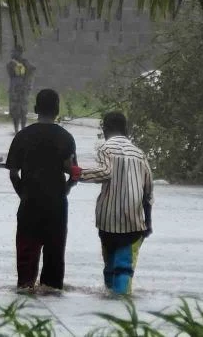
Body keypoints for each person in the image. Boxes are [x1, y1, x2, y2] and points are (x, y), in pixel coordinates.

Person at [6, 89, 80, 292]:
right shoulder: (65, 138)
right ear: (57, 110)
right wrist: (65, 189)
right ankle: (51, 293)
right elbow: (74, 172)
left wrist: (23, 194)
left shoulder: (22, 136)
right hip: (56, 206)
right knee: (54, 262)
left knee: (26, 261)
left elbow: (13, 174)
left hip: (29, 204)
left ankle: (25, 290)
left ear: (36, 109)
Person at [79, 112, 153, 295]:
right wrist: (148, 222)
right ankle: (122, 303)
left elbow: (105, 172)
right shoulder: (139, 153)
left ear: (105, 129)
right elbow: (148, 191)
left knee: (110, 266)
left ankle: (110, 299)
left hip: (108, 220)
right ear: (126, 129)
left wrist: (77, 173)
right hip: (134, 221)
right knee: (124, 267)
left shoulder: (105, 148)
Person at [7, 47, 36, 134]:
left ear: (20, 53)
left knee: (23, 110)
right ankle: (16, 130)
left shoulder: (26, 63)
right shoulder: (11, 64)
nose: (12, 54)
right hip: (14, 90)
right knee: (14, 111)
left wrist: (28, 85)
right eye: (12, 52)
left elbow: (32, 70)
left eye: (14, 52)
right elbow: (11, 73)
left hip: (23, 90)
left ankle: (23, 129)